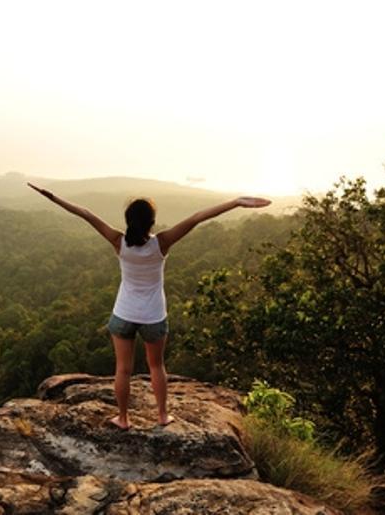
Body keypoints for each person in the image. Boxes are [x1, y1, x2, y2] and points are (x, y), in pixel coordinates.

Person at [27, 182, 271, 429]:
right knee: (156, 366)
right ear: (152, 222)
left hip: (123, 314)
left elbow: (86, 214)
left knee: (123, 369)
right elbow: (197, 218)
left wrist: (53, 197)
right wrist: (236, 202)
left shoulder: (118, 241)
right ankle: (162, 416)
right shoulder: (161, 243)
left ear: (128, 220)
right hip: (153, 316)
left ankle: (123, 418)